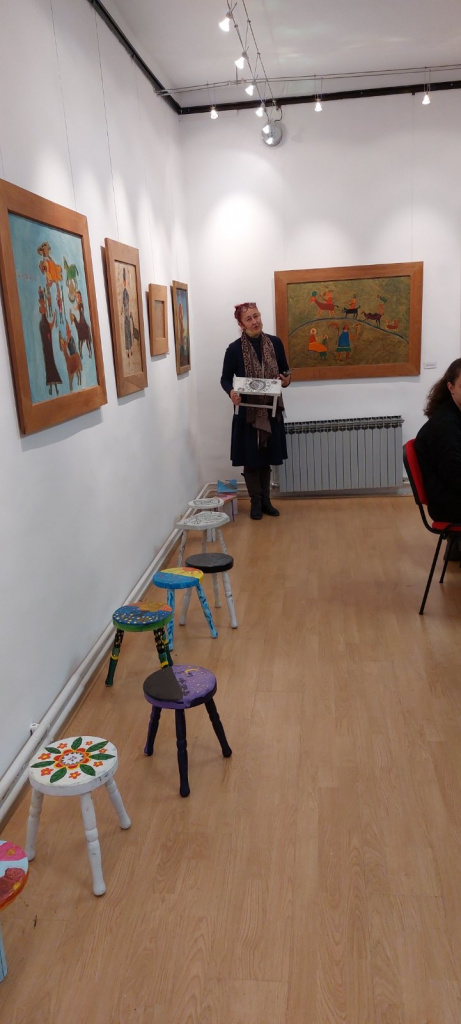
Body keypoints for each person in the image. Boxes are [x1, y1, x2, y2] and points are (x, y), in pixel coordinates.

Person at [220, 302, 291, 520]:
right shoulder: (234, 349)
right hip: (248, 414)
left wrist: (286, 380)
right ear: (241, 324)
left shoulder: (275, 343)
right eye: (249, 319)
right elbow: (225, 379)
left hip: (271, 410)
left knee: (266, 458)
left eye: (256, 316)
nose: (255, 321)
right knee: (251, 460)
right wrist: (231, 392)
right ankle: (256, 503)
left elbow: (286, 372)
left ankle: (267, 501)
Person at [415, 358, 461, 524]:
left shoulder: (454, 414)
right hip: (449, 504)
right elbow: (456, 477)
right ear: (451, 387)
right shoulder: (445, 425)